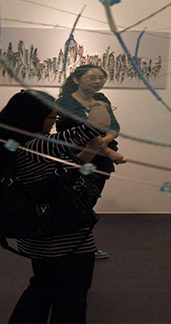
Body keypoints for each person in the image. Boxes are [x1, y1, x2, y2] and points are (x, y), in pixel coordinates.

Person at [0, 90, 126, 323]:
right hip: (66, 240)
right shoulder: (41, 145)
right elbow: (97, 125)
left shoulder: (17, 146)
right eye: (52, 117)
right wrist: (97, 101)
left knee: (42, 291)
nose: (55, 123)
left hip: (41, 239)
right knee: (71, 300)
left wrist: (91, 150)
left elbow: (64, 171)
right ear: (35, 117)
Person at [56, 64, 121, 259]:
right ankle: (69, 246)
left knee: (89, 202)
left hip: (100, 159)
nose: (98, 81)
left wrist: (104, 144)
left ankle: (83, 246)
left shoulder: (102, 99)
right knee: (73, 202)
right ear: (76, 79)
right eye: (92, 77)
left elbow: (114, 127)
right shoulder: (65, 102)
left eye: (101, 78)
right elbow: (80, 130)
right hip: (76, 157)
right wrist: (108, 150)